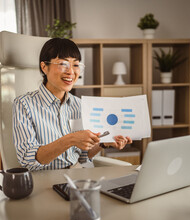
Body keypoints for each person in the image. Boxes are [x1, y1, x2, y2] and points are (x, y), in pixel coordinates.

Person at [13, 38, 132, 170]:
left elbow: (83, 157)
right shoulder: (24, 104)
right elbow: (28, 159)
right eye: (63, 64)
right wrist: (71, 139)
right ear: (44, 67)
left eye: (75, 65)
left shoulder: (79, 105)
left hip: (76, 176)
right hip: (44, 178)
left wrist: (103, 143)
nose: (71, 72)